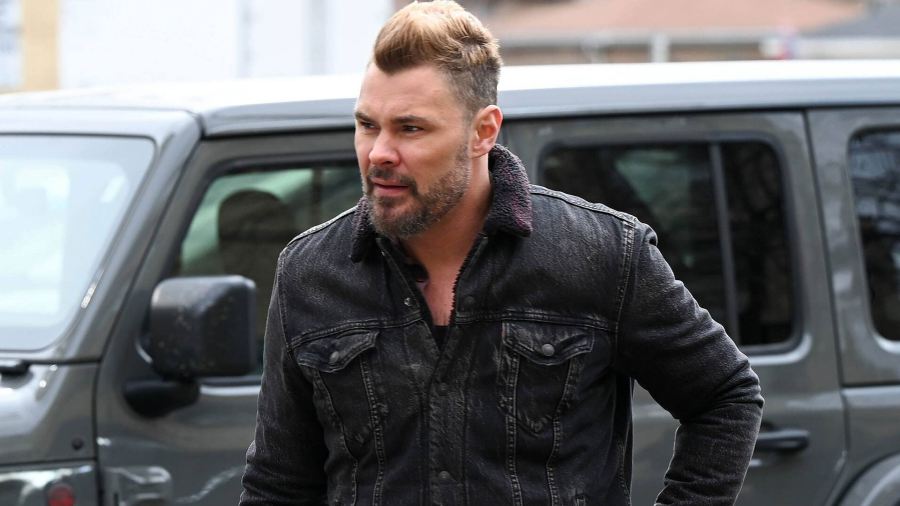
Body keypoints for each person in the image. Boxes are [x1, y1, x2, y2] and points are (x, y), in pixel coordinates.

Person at [239, 1, 763, 505]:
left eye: (411, 128)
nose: (378, 153)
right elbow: (278, 484)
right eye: (367, 125)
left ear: (483, 131)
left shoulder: (600, 254)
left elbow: (725, 396)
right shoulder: (310, 274)